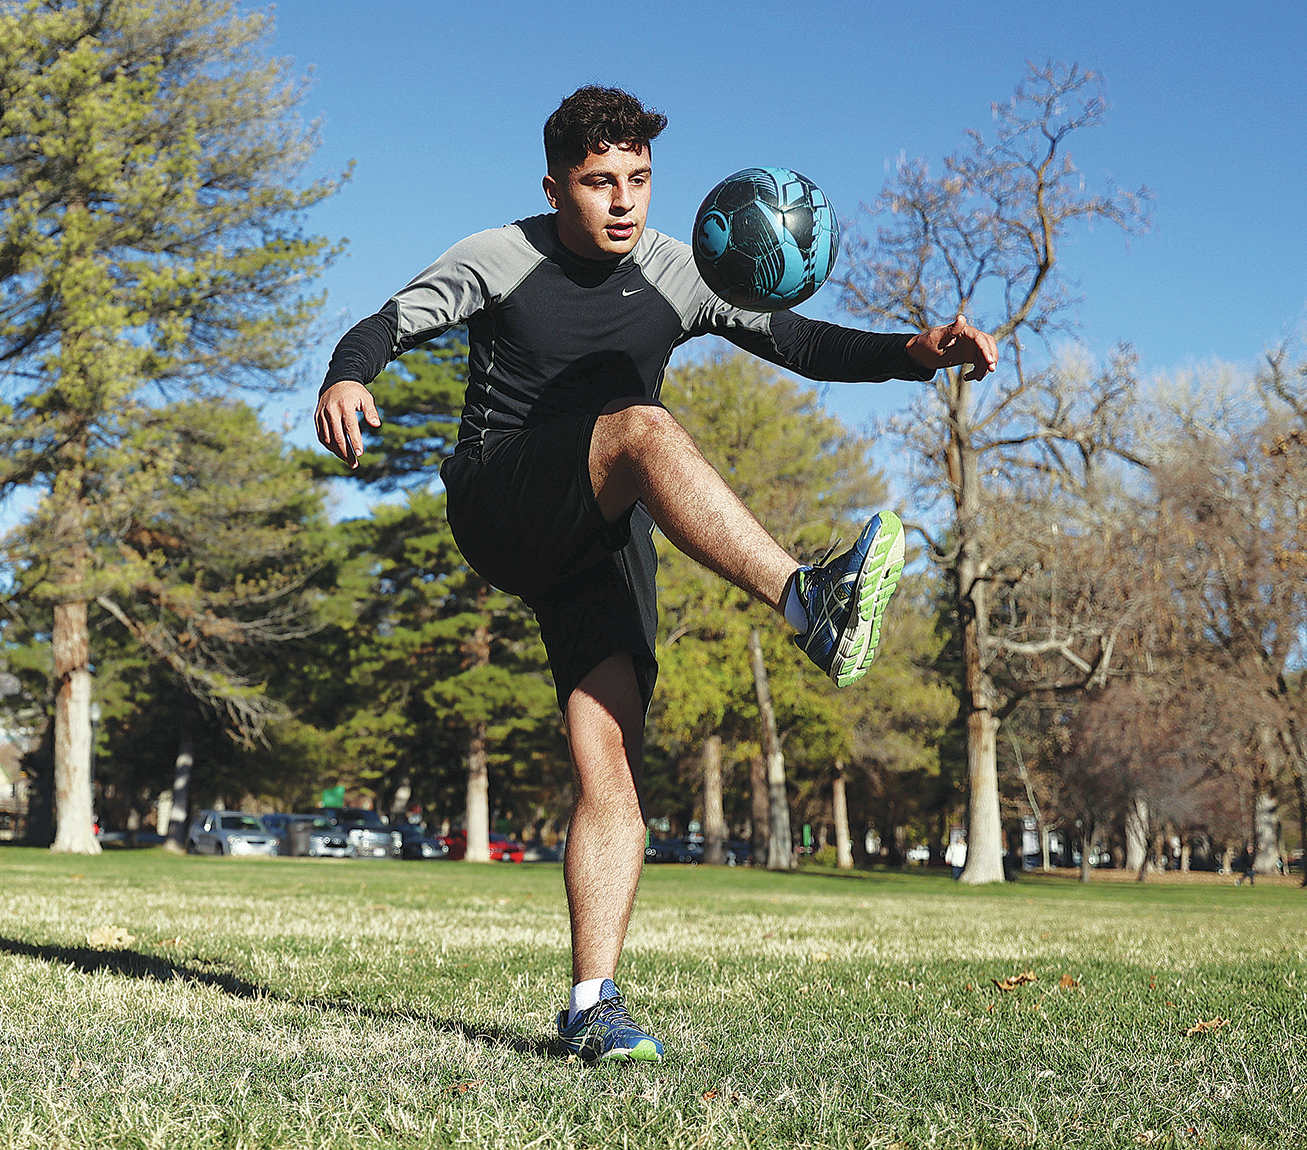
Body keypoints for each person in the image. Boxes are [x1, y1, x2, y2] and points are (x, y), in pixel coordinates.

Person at [315, 86, 997, 1063]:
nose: (623, 201)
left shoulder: (678, 270)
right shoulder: (499, 256)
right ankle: (808, 604)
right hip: (502, 497)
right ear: (556, 187)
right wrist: (348, 378)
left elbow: (796, 340)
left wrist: (912, 352)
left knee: (612, 762)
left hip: (598, 533)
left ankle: (593, 1002)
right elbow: (384, 326)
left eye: (637, 179)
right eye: (600, 182)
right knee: (643, 428)